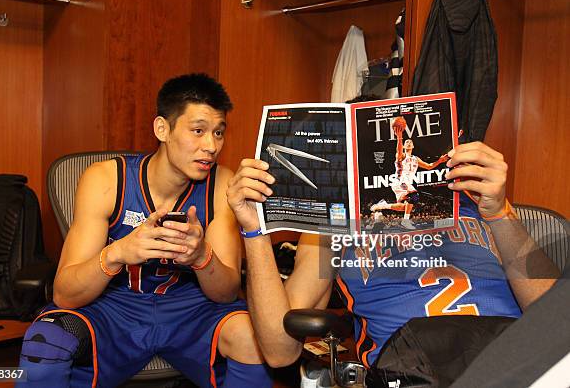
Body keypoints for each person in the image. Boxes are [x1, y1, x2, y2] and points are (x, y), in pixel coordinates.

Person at [18, 74, 271, 388]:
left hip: (190, 308)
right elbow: (64, 293)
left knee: (252, 336)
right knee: (47, 340)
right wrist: (118, 253)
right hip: (115, 306)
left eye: (219, 132)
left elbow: (225, 293)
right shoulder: (107, 179)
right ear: (162, 129)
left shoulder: (222, 184)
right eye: (198, 131)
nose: (211, 146)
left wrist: (201, 256)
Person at [226, 141, 559, 379]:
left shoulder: (477, 202)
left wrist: (500, 213)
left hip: (515, 359)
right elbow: (279, 350)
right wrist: (254, 231)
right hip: (415, 369)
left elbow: (556, 320)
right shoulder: (332, 228)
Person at [370, 119, 449, 230]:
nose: (408, 142)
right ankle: (405, 221)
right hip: (400, 180)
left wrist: (440, 161)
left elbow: (429, 166)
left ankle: (383, 205)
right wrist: (399, 137)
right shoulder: (401, 155)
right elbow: (398, 148)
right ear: (404, 146)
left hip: (404, 183)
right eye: (406, 142)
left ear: (413, 146)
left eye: (410, 142)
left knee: (404, 207)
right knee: (414, 196)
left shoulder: (416, 159)